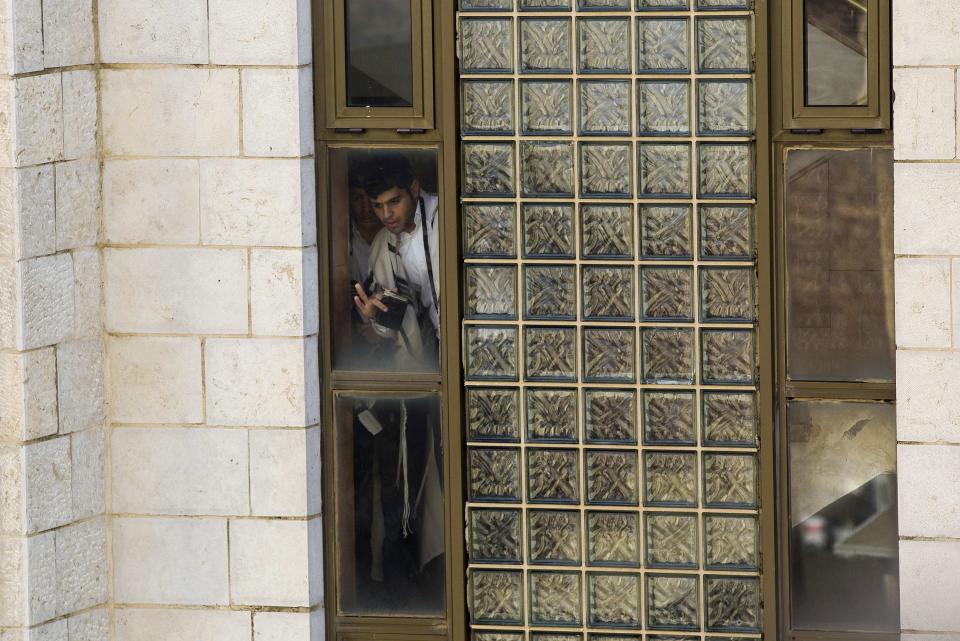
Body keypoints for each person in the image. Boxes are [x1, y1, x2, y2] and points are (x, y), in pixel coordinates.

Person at [352, 154, 440, 369]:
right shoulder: (383, 245)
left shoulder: (445, 216)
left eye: (394, 201)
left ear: (415, 189)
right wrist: (375, 317)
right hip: (435, 357)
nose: (386, 214)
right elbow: (393, 327)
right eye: (377, 205)